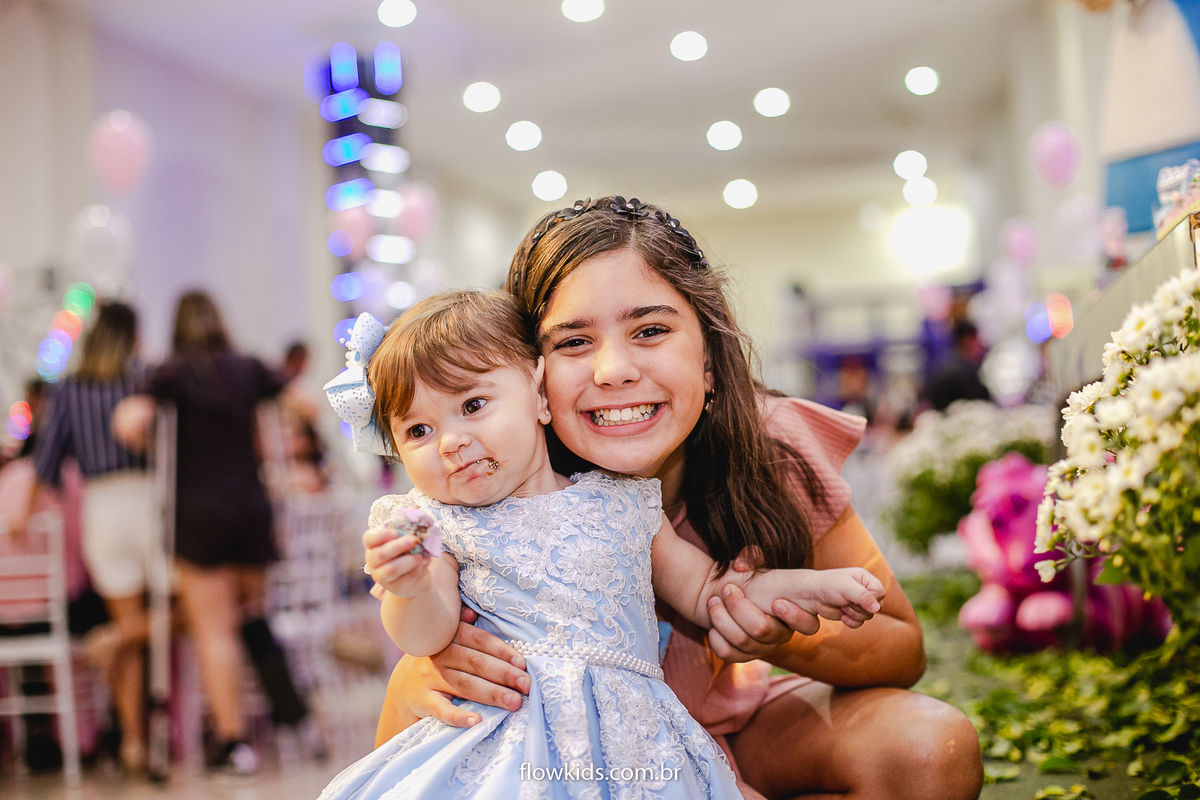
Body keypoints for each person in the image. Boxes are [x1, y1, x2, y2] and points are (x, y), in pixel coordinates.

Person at [371, 197, 984, 800]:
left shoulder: (768, 447)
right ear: (531, 374)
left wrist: (768, 629)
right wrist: (418, 670)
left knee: (930, 749)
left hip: (719, 736)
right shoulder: (482, 495)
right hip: (553, 758)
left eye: (651, 330)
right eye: (574, 342)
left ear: (709, 357)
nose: (613, 370)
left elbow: (899, 648)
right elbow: (401, 742)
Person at [321, 289, 885, 798]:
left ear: (539, 394)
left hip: (637, 743)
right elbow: (427, 635)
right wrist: (410, 586)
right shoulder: (431, 523)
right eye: (418, 430)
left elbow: (707, 589)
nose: (450, 443)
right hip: (504, 744)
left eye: (472, 406)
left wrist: (807, 585)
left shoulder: (622, 501)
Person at [135, 291, 307, 774]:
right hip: (251, 512)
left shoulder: (171, 373)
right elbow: (304, 403)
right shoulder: (248, 367)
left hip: (198, 517)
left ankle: (233, 742)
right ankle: (293, 720)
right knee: (253, 619)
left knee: (216, 632)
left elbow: (132, 420)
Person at [12, 302, 160, 774]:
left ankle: (136, 741)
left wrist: (22, 515)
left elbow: (46, 462)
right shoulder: (146, 382)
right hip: (151, 501)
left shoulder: (68, 389)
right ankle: (116, 643)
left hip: (103, 510)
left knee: (129, 625)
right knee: (181, 611)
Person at [926, 320, 992, 412]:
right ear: (967, 340)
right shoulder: (962, 372)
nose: (982, 344)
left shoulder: (945, 363)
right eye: (977, 339)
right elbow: (979, 405)